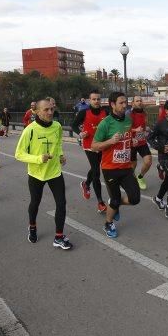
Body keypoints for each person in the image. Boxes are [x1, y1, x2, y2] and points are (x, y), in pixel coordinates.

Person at [15, 99, 73, 250]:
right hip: (37, 174)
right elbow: (19, 154)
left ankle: (59, 237)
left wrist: (60, 155)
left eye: (51, 109)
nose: (49, 112)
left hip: (54, 172)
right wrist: (38, 159)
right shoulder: (30, 130)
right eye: (46, 110)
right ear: (37, 112)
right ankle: (32, 226)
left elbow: (58, 143)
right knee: (35, 203)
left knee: (61, 204)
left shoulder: (57, 126)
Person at [91, 91, 140, 239]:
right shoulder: (105, 123)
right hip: (110, 168)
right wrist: (110, 141)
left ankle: (114, 204)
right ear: (112, 104)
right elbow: (94, 146)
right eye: (121, 103)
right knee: (116, 198)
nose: (125, 105)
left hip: (125, 167)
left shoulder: (128, 120)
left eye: (126, 102)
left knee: (135, 198)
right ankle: (108, 222)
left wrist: (132, 141)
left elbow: (127, 135)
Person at [71, 90, 109, 213]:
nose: (96, 101)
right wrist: (80, 133)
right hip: (90, 145)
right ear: (89, 100)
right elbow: (74, 125)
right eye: (94, 99)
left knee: (95, 168)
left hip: (102, 144)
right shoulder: (84, 112)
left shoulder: (106, 111)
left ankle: (86, 184)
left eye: (98, 99)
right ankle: (100, 202)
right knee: (97, 172)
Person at [129, 95, 152, 190]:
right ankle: (130, 180)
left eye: (140, 100)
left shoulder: (144, 113)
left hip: (141, 141)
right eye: (137, 101)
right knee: (133, 165)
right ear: (133, 103)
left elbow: (143, 126)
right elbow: (124, 129)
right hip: (131, 142)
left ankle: (140, 177)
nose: (139, 102)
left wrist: (146, 129)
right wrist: (135, 130)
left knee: (148, 161)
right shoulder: (128, 114)